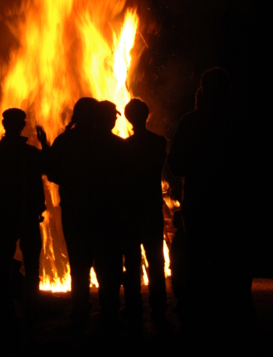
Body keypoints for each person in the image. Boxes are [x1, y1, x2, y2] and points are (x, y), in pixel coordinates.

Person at [168, 67, 254, 330]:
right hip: (233, 204)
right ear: (227, 90)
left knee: (199, 257)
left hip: (200, 203)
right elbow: (253, 165)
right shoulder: (239, 123)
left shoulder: (191, 122)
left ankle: (197, 316)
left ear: (204, 89)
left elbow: (176, 165)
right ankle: (235, 314)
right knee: (231, 259)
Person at [0, 108, 45, 323]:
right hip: (28, 216)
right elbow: (48, 172)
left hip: (4, 216)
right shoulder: (31, 154)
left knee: (4, 264)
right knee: (32, 265)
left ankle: (5, 311)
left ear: (4, 125)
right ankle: (31, 310)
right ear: (23, 125)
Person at [46, 97, 100, 330]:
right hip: (102, 209)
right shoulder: (107, 142)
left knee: (78, 262)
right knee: (105, 260)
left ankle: (80, 309)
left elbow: (52, 173)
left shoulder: (64, 141)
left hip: (73, 209)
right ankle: (109, 309)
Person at [122, 98, 167, 325]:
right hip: (151, 207)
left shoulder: (124, 147)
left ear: (128, 118)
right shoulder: (159, 142)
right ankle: (159, 307)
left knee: (132, 261)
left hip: (131, 210)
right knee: (155, 259)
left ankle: (134, 307)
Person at [93, 100, 126, 325]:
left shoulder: (84, 145)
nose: (115, 120)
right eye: (113, 116)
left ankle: (102, 306)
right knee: (112, 260)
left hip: (93, 213)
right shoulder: (119, 146)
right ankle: (110, 306)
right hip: (112, 213)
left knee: (98, 260)